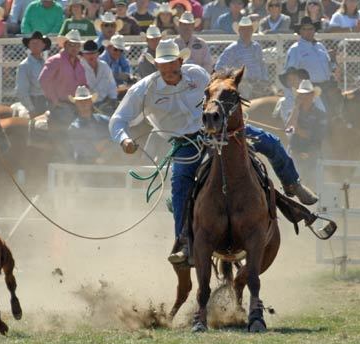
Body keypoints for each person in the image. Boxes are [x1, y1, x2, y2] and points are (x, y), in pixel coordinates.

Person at [109, 39, 318, 263]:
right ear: (156, 64)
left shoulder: (197, 75)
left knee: (270, 142)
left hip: (216, 130)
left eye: (172, 63)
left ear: (181, 60)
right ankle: (184, 241)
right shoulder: (144, 89)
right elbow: (118, 119)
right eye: (163, 64)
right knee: (180, 181)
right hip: (185, 142)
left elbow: (217, 94)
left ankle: (292, 183)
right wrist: (124, 140)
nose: (168, 69)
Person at [39, 29, 87, 125]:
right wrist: (55, 100)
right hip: (60, 104)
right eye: (71, 45)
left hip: (76, 104)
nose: (74, 48)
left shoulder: (80, 64)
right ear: (65, 45)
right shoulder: (55, 60)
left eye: (77, 45)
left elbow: (83, 84)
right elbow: (43, 80)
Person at [284, 80, 329, 182]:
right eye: (301, 95)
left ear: (312, 96)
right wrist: (296, 108)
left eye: (306, 94)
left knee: (310, 180)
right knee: (293, 180)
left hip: (311, 152)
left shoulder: (320, 115)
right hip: (295, 150)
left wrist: (296, 129)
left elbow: (315, 136)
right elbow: (288, 129)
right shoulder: (293, 112)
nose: (304, 97)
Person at [215, 16, 270, 99]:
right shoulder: (232, 49)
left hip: (259, 83)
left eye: (248, 29)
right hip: (241, 84)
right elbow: (219, 67)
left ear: (252, 31)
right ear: (239, 31)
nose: (246, 32)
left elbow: (262, 64)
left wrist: (265, 79)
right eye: (243, 29)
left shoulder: (257, 47)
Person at [284, 16, 333, 105]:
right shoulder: (295, 49)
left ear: (314, 30)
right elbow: (290, 74)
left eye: (310, 29)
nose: (308, 31)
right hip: (308, 91)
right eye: (305, 29)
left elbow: (329, 67)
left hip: (326, 88)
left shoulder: (320, 47)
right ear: (300, 31)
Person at [67, 86, 111, 163]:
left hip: (107, 162)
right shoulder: (74, 127)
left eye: (86, 100)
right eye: (80, 101)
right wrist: (106, 143)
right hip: (85, 164)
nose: (83, 104)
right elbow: (83, 150)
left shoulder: (105, 121)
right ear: (76, 104)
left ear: (91, 102)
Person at [15, 30, 51, 118]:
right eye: (33, 43)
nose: (36, 45)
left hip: (48, 101)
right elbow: (21, 90)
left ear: (43, 45)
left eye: (38, 43)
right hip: (35, 102)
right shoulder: (24, 65)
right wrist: (31, 109)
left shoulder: (47, 63)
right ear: (29, 46)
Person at [81, 39, 117, 109]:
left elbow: (112, 85)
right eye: (88, 53)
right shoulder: (80, 68)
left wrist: (113, 99)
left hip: (105, 104)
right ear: (83, 55)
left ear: (98, 54)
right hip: (86, 105)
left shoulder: (104, 66)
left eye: (93, 53)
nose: (91, 55)